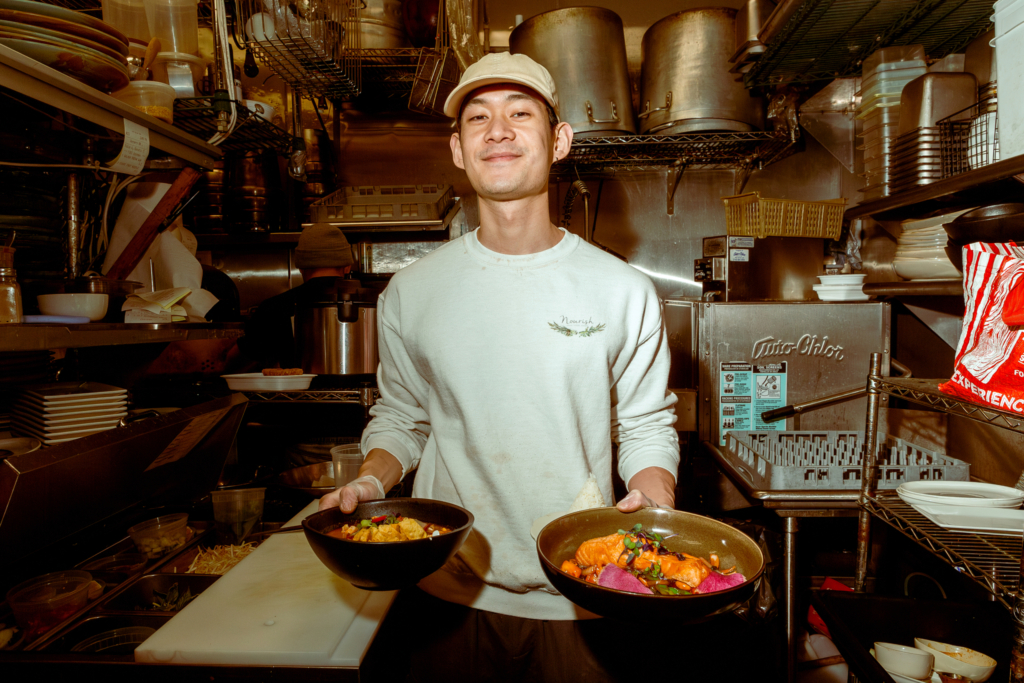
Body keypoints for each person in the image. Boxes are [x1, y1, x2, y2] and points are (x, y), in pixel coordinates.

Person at [320, 53, 681, 681]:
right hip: (447, 587)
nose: (499, 130)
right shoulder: (413, 290)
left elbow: (647, 424)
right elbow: (402, 416)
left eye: (521, 113)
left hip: (580, 588)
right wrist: (372, 482)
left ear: (559, 140)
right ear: (458, 149)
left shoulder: (622, 289)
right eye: (479, 118)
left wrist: (653, 507)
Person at [234, 223, 357, 369]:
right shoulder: (372, 304)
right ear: (348, 266)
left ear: (300, 267)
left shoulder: (273, 308)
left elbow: (240, 360)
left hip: (292, 391)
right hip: (366, 390)